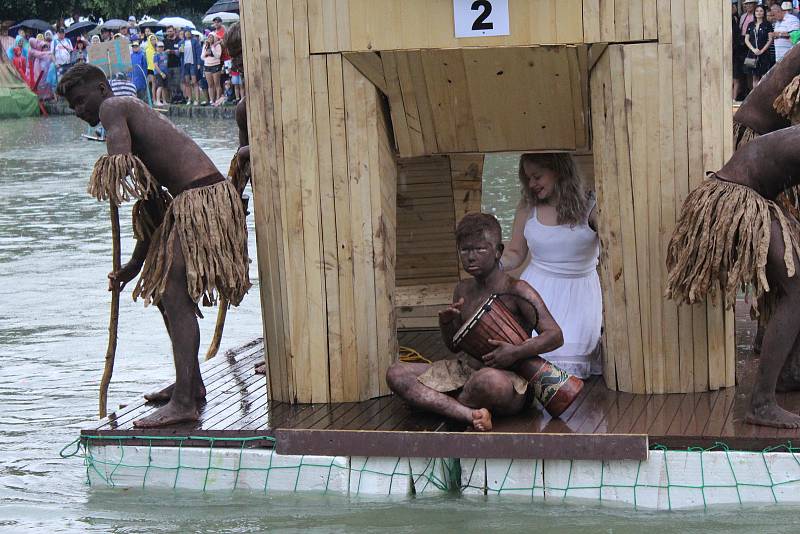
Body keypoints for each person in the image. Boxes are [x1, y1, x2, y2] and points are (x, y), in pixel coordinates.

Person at [56, 63, 250, 427]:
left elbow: (120, 164)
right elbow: (152, 212)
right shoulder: (127, 114)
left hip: (202, 198)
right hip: (193, 200)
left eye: (81, 101)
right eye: (73, 107)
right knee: (164, 291)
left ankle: (184, 402)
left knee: (174, 293)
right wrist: (131, 269)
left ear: (101, 88)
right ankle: (191, 384)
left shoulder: (113, 107)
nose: (80, 111)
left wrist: (110, 173)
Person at [665, 124, 800, 429]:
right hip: (735, 196)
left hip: (750, 192)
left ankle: (788, 374)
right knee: (798, 288)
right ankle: (761, 403)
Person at [385, 213, 563, 431]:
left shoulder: (517, 289)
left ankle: (438, 404)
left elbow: (555, 335)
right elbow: (453, 346)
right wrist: (446, 324)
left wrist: (515, 352)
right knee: (396, 373)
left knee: (488, 381)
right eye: (465, 250)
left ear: (498, 251)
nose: (471, 257)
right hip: (463, 371)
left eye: (480, 249)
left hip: (509, 381)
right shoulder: (462, 289)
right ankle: (470, 414)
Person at [500, 153, 602, 379]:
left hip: (580, 294)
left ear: (558, 171)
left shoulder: (592, 206)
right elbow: (515, 253)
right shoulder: (527, 207)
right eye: (527, 178)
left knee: (570, 363)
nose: (531, 184)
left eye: (537, 177)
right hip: (536, 294)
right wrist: (493, 264)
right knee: (529, 361)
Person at [745, 4, 776, 86]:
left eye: (761, 11)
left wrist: (762, 51)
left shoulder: (768, 24)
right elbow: (746, 39)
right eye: (757, 11)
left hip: (764, 53)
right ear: (755, 13)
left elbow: (770, 39)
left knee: (764, 77)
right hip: (752, 53)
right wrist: (753, 49)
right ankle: (755, 97)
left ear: (764, 13)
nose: (759, 13)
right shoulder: (750, 24)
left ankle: (762, 97)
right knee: (754, 76)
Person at [162, 26, 182, 103]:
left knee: (177, 82)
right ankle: (173, 98)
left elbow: (181, 51)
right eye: (168, 31)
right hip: (167, 65)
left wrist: (171, 51)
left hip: (177, 64)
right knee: (170, 83)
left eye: (171, 31)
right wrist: (165, 52)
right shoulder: (164, 41)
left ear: (174, 31)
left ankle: (179, 98)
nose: (169, 33)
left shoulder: (179, 40)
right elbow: (160, 52)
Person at [202, 33, 223, 105]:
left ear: (214, 38)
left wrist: (213, 47)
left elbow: (218, 56)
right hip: (207, 66)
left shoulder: (218, 45)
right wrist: (206, 54)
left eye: (212, 37)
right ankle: (211, 100)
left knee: (217, 84)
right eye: (209, 37)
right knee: (210, 85)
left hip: (215, 65)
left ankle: (217, 99)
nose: (210, 39)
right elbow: (202, 57)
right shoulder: (205, 45)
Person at [144, 34, 159, 104]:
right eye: (152, 40)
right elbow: (150, 61)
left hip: (158, 68)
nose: (153, 41)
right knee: (153, 84)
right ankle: (154, 99)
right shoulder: (148, 50)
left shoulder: (157, 48)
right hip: (151, 68)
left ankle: (157, 98)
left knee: (157, 84)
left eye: (154, 39)